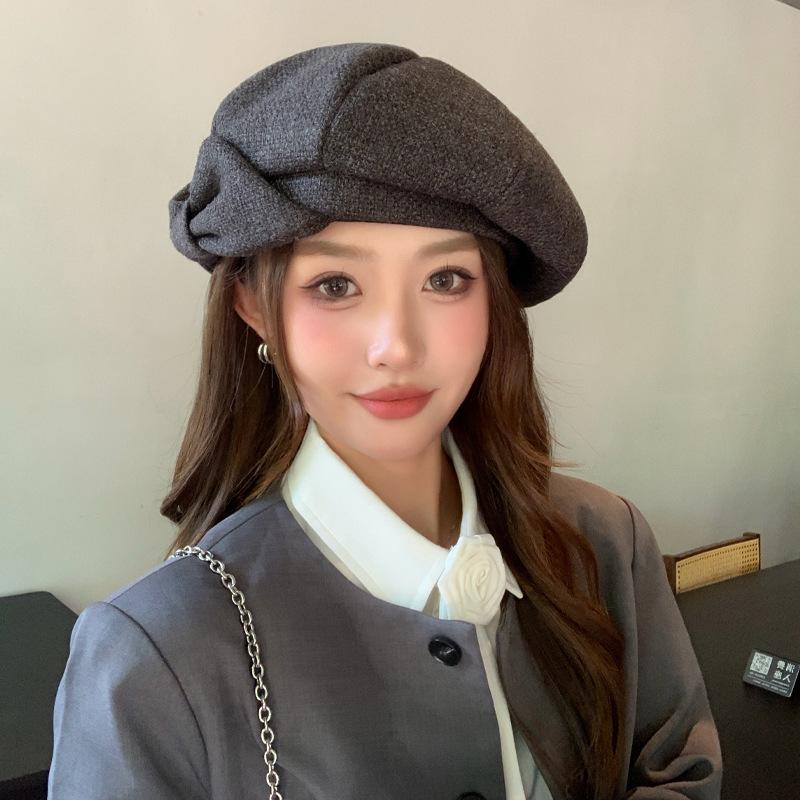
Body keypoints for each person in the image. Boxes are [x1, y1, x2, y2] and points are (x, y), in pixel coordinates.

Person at [48, 42, 723, 800]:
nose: (396, 346)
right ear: (252, 305)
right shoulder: (155, 656)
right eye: (336, 284)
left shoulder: (604, 545)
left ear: (495, 301)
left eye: (446, 279)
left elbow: (680, 772)